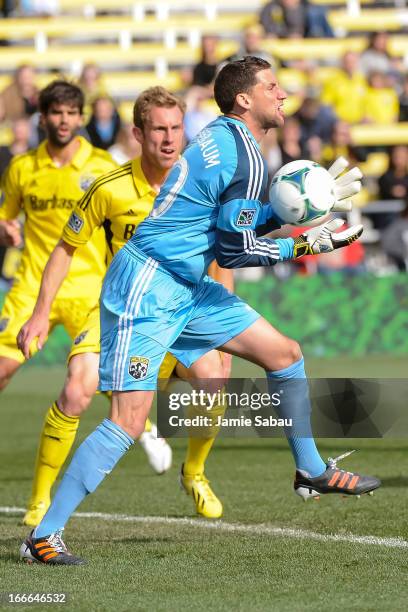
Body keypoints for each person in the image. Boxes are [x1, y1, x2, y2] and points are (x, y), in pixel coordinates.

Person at [20, 57, 380, 566]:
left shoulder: (226, 138)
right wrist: (301, 244)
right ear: (243, 99)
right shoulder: (247, 156)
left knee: (284, 354)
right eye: (272, 87)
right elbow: (235, 252)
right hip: (148, 285)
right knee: (129, 419)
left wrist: (294, 212)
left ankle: (310, 469)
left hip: (186, 284)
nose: (282, 95)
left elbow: (232, 222)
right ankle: (44, 535)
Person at [17, 86, 232, 527]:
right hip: (122, 309)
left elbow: (221, 257)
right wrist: (40, 313)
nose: (169, 139)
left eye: (176, 129)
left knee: (214, 376)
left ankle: (194, 472)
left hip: (182, 308)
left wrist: (222, 324)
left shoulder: (202, 187)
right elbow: (65, 247)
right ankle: (40, 500)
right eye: (158, 129)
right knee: (77, 389)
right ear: (138, 132)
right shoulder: (109, 187)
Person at [0, 81, 171, 525]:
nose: (63, 120)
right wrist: (5, 229)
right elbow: (8, 214)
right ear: (42, 117)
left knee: (81, 388)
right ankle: (143, 425)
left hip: (93, 291)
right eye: (55, 112)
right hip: (32, 287)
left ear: (80, 118)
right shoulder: (21, 169)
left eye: (71, 112)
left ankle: (43, 499)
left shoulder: (100, 168)